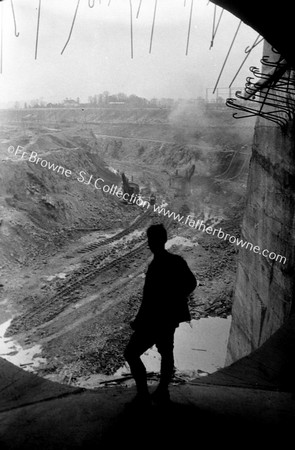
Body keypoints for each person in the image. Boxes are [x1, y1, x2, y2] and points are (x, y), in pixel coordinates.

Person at [124, 223, 197, 406]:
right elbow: (191, 283)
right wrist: (176, 300)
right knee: (166, 352)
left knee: (131, 353)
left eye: (151, 240)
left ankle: (143, 394)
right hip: (169, 319)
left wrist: (138, 321)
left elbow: (149, 300)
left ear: (153, 241)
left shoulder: (156, 266)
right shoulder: (176, 261)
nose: (150, 243)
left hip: (153, 321)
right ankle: (163, 390)